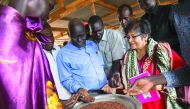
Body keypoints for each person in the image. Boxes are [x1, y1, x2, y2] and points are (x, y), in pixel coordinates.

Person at [0, 0, 63, 109]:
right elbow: (16, 99)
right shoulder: (6, 32)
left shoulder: (25, 32)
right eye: (50, 6)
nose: (48, 16)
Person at [127, 0, 190, 93]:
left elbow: (180, 39)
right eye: (139, 1)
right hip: (155, 67)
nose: (142, 3)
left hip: (172, 62)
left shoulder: (170, 10)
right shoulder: (143, 19)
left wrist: (158, 45)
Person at [121, 19, 185, 109]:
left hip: (161, 105)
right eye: (128, 37)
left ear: (145, 36)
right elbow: (126, 80)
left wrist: (157, 86)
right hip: (139, 105)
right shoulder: (127, 57)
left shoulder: (162, 52)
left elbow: (183, 76)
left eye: (133, 36)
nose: (130, 40)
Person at [57, 18, 112, 103]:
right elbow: (66, 79)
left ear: (86, 32)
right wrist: (78, 89)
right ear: (69, 35)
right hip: (86, 96)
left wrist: (107, 82)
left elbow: (100, 66)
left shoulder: (92, 45)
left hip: (106, 90)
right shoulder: (63, 54)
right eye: (75, 37)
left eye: (82, 35)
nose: (79, 40)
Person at [88, 15, 125, 88]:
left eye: (100, 30)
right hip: (101, 82)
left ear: (103, 26)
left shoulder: (113, 35)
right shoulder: (89, 42)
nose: (98, 34)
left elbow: (117, 60)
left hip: (116, 77)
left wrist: (115, 74)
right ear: (90, 30)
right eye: (94, 32)